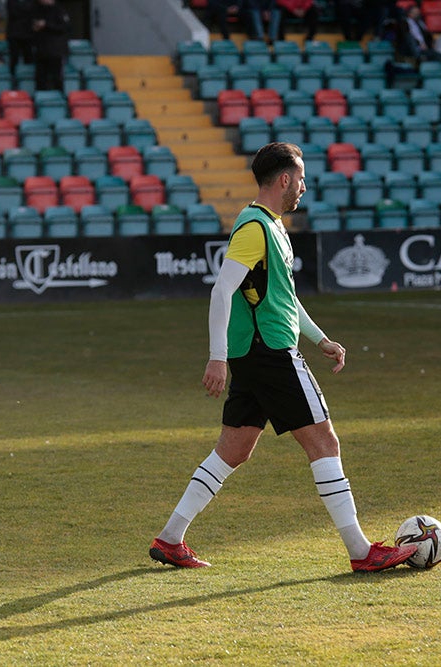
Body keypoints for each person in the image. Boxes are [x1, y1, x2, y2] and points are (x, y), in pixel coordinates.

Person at [149, 142, 419, 573]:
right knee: (324, 442)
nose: (305, 187)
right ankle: (361, 551)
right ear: (284, 179)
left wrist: (320, 339)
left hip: (255, 354)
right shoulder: (255, 227)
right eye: (302, 179)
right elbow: (222, 290)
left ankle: (169, 539)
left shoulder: (270, 226)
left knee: (233, 450)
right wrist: (216, 357)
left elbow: (285, 299)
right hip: (270, 352)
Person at [31, 0, 70, 91]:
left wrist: (46, 25)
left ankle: (58, 99)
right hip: (41, 50)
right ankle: (41, 100)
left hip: (56, 51)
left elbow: (65, 27)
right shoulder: (37, 10)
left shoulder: (59, 10)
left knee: (57, 78)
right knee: (40, 79)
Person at [6, 0, 35, 73]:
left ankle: (28, 77)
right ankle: (13, 78)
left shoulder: (32, 2)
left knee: (29, 57)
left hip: (28, 35)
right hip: (14, 34)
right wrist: (27, 12)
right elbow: (14, 14)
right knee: (14, 58)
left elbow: (33, 13)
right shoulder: (11, 2)